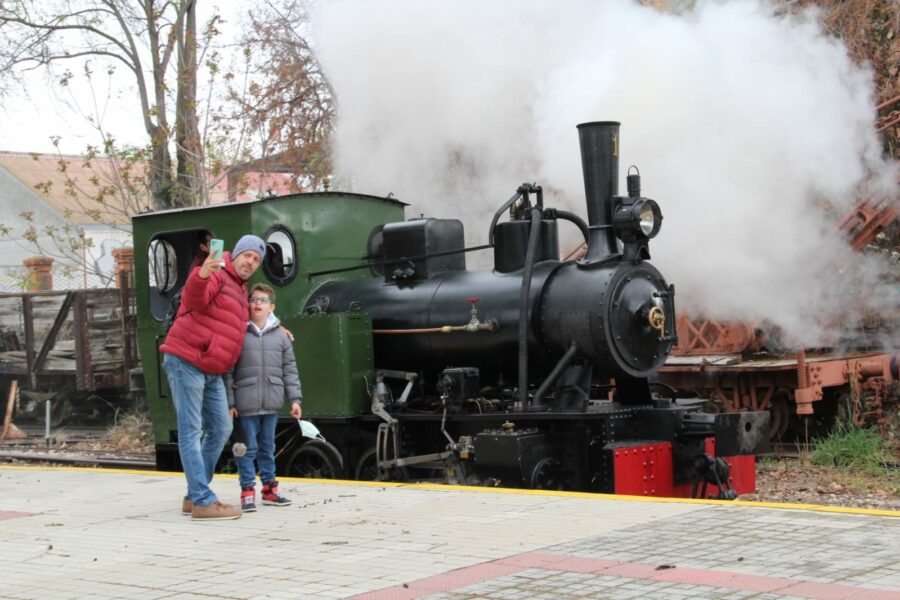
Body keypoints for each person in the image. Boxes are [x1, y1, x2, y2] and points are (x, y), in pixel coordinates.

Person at [160, 234, 267, 521]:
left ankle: (193, 495)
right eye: (248, 255)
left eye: (256, 259)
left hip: (210, 369)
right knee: (191, 430)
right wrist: (202, 273)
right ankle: (203, 500)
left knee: (220, 428)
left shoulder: (239, 289)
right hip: (187, 359)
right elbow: (193, 298)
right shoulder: (219, 273)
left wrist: (277, 330)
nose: (251, 262)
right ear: (238, 254)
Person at [226, 283, 302, 512]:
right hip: (245, 402)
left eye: (263, 300)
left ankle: (270, 489)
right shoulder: (238, 334)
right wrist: (230, 402)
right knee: (245, 448)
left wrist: (295, 400)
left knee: (267, 447)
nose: (257, 303)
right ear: (247, 305)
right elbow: (228, 371)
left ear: (272, 307)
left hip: (271, 401)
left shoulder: (281, 337)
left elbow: (290, 370)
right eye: (254, 300)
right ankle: (247, 491)